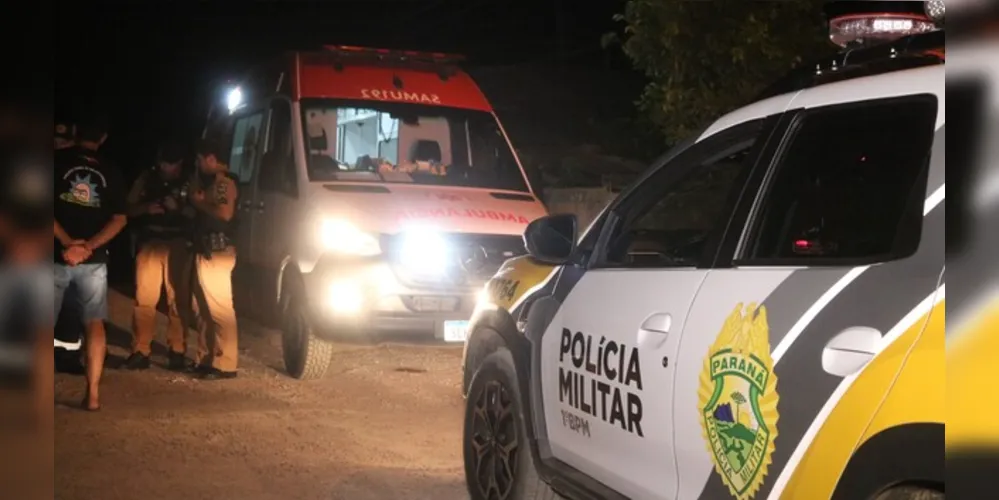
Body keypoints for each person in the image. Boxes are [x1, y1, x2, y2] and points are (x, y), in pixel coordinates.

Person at [53, 115, 127, 410]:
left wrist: (67, 243)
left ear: (75, 134)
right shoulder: (113, 171)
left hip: (55, 256)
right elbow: (120, 219)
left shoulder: (55, 162)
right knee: (94, 324)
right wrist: (89, 247)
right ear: (103, 138)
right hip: (94, 261)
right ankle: (93, 395)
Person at [124, 140, 196, 371]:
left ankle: (177, 351)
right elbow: (126, 208)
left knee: (179, 300)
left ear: (180, 163)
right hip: (151, 242)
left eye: (173, 164)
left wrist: (179, 208)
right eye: (165, 163)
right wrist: (147, 208)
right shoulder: (147, 178)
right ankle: (140, 350)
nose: (168, 168)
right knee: (145, 299)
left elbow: (200, 212)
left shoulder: (189, 180)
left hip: (178, 244)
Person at [189, 139, 239, 379]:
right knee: (202, 308)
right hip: (207, 249)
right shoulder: (213, 184)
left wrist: (199, 203)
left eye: (200, 160)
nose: (198, 165)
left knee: (219, 309)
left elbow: (225, 213)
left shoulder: (223, 184)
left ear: (210, 158)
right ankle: (207, 357)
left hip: (217, 251)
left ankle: (225, 363)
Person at [53, 119, 87, 374]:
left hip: (70, 247)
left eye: (63, 140)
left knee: (70, 303)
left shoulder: (76, 168)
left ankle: (67, 355)